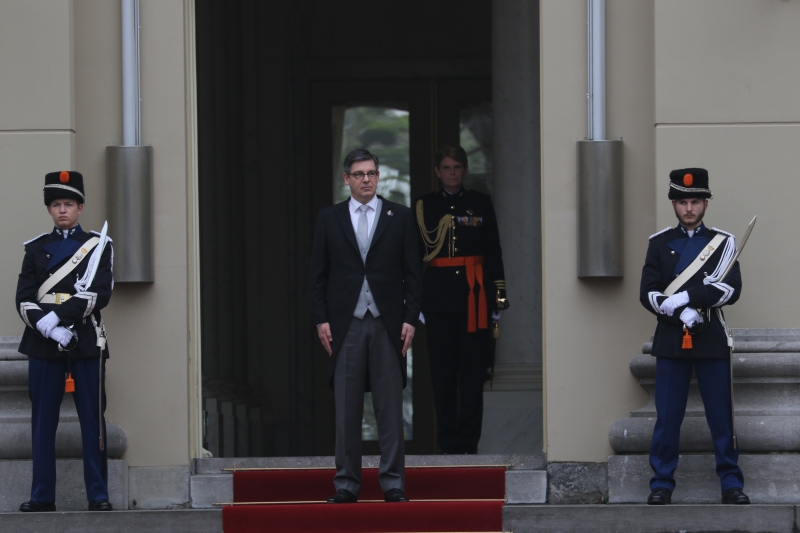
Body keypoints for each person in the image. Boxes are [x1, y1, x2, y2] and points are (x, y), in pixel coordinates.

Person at [310, 148, 422, 503]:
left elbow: (413, 274)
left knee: (390, 409)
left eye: (372, 173)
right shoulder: (329, 218)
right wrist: (321, 319)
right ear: (347, 179)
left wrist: (410, 318)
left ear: (378, 176)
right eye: (359, 174)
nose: (366, 180)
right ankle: (346, 484)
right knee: (347, 410)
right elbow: (317, 276)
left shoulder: (399, 216)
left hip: (388, 324)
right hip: (347, 325)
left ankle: (393, 484)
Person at [640, 168, 749, 505]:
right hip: (672, 339)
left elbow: (730, 289)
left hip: (710, 336)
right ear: (674, 204)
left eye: (695, 202)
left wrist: (688, 298)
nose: (689, 208)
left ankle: (730, 483)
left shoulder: (724, 243)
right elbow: (648, 293)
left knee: (721, 417)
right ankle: (661, 484)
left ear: (705, 204)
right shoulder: (658, 243)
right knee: (667, 419)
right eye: (682, 202)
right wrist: (677, 311)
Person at [15, 171, 114, 512]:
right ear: (49, 209)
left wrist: (58, 317)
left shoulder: (99, 246)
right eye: (56, 204)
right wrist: (48, 328)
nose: (62, 210)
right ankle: (42, 496)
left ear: (80, 208)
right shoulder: (35, 248)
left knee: (93, 422)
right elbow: (24, 299)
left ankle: (98, 495)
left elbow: (99, 294)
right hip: (44, 342)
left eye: (68, 204)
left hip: (85, 341)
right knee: (43, 423)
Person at [414, 146, 507, 454]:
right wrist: (416, 301)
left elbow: (493, 251)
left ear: (464, 170)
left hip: (475, 296)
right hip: (438, 299)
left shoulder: (480, 203)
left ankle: (469, 442)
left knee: (472, 373)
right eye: (446, 167)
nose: (452, 173)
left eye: (456, 167)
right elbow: (414, 256)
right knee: (442, 374)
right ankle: (448, 442)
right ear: (438, 172)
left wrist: (498, 295)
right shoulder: (425, 206)